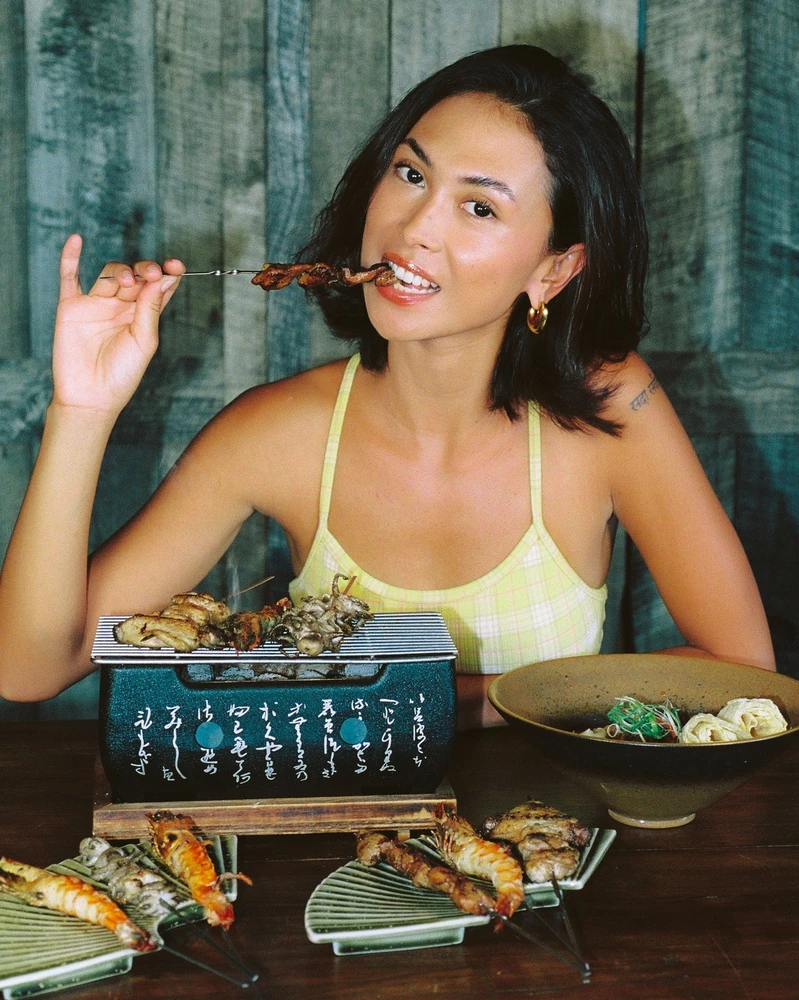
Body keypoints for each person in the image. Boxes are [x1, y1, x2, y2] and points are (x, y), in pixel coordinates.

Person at [0, 46, 775, 729]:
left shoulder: (609, 406)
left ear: (552, 269)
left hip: (549, 839)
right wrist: (82, 408)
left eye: (478, 206)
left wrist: (438, 704)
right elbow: (30, 668)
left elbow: (744, 673)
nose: (414, 228)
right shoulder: (277, 435)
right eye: (410, 174)